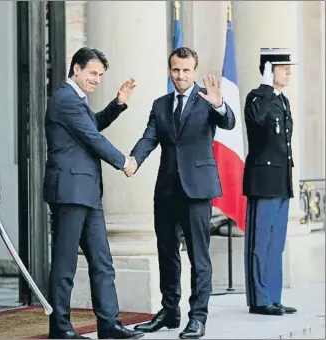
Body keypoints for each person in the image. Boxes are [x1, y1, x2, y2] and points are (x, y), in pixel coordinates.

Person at [127, 47, 235, 339]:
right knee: (167, 253)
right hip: (166, 190)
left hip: (197, 190)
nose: (181, 75)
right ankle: (170, 312)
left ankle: (197, 317)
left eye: (186, 70)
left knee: (199, 257)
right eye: (176, 70)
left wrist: (220, 105)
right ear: (169, 70)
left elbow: (229, 122)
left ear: (195, 71)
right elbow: (149, 136)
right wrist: (134, 159)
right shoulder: (161, 104)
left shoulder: (207, 101)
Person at [43, 46, 143, 340]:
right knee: (65, 264)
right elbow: (92, 136)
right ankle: (60, 328)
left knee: (102, 261)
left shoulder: (77, 101)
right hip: (70, 192)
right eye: (92, 73)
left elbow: (91, 126)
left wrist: (118, 104)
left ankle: (109, 325)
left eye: (100, 74)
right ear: (76, 69)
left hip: (87, 191)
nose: (97, 79)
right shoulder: (64, 98)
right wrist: (124, 161)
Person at [242, 48, 297, 316]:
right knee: (260, 242)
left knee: (276, 243)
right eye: (282, 66)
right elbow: (256, 120)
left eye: (289, 67)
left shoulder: (283, 101)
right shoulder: (257, 98)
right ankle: (259, 299)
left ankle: (274, 297)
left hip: (281, 182)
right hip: (262, 182)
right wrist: (265, 86)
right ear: (268, 70)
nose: (288, 71)